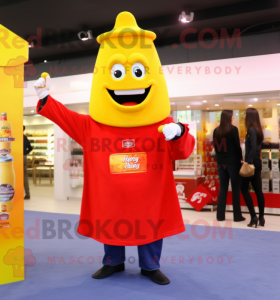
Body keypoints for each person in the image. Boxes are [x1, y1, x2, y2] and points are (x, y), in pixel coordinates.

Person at [33, 12, 195, 285]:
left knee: (150, 225)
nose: (128, 82)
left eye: (138, 71)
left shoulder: (162, 124)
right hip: (112, 197)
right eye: (118, 72)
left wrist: (178, 132)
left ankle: (150, 265)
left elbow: (183, 151)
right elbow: (66, 117)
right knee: (111, 223)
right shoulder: (94, 126)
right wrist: (45, 98)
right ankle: (113, 262)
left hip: (150, 196)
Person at [213, 110, 245, 222]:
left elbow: (216, 149)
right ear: (229, 118)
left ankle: (220, 216)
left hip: (221, 163)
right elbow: (237, 147)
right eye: (232, 117)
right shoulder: (233, 129)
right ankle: (237, 216)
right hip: (233, 163)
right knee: (236, 189)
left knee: (223, 188)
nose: (233, 118)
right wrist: (241, 159)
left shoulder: (216, 131)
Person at [241, 108, 265, 228]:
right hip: (257, 162)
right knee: (258, 190)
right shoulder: (257, 129)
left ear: (249, 116)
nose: (243, 115)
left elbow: (253, 149)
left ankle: (253, 216)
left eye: (245, 113)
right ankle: (261, 217)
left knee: (244, 189)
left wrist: (247, 162)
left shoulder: (251, 130)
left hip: (252, 163)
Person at [23, 125, 33, 200]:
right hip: (24, 157)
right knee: (25, 176)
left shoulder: (16, 137)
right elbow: (31, 147)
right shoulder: (25, 137)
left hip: (17, 158)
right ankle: (27, 194)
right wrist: (26, 152)